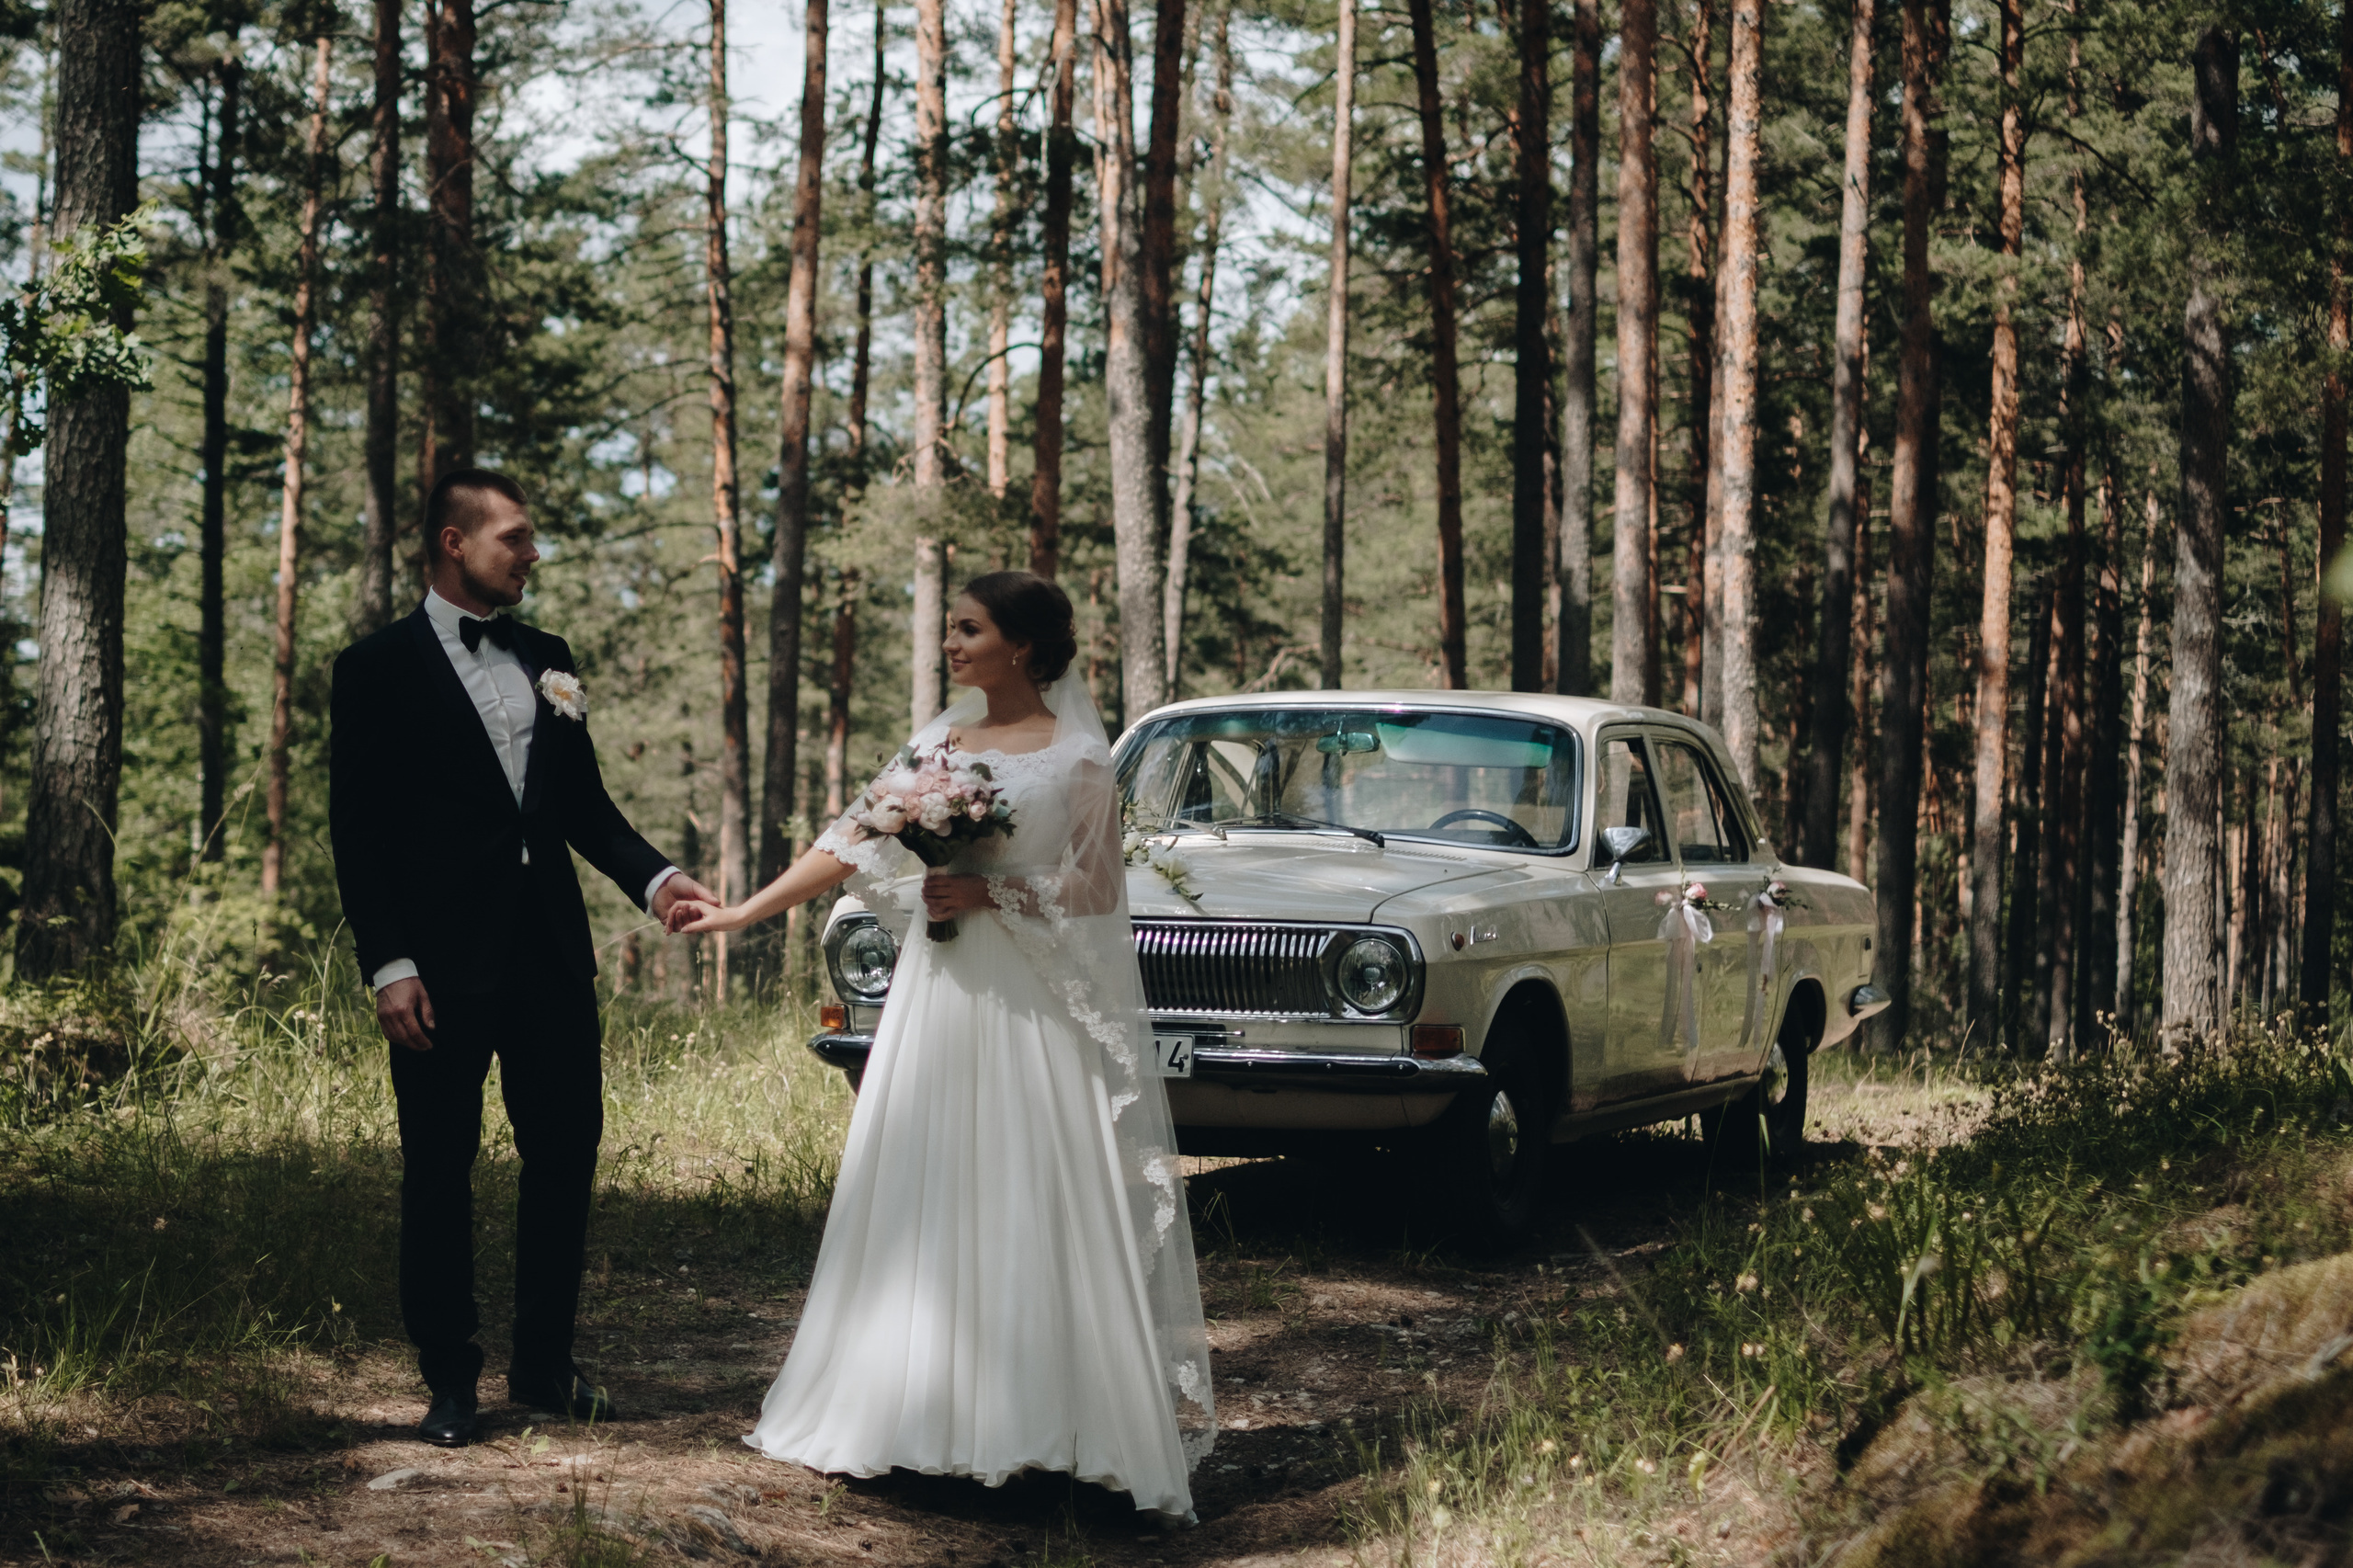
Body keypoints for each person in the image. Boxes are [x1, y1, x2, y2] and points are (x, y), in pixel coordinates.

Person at [665, 571, 1214, 1520]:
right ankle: (908, 1413)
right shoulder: (935, 742)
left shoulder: (1079, 753)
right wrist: (745, 910)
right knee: (927, 1176)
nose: (950, 644)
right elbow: (852, 838)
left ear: (1025, 648)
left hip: (1026, 1002)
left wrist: (992, 891)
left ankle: (1046, 1425)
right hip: (940, 992)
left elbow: (1096, 891)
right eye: (952, 629)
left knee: (1026, 1185)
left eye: (969, 630)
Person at [330, 468, 717, 1448]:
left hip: (549, 956)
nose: (533, 552)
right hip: (436, 971)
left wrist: (659, 879)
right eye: (516, 537)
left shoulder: (550, 657)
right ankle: (451, 1378)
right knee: (438, 1168)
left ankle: (544, 1361)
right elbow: (358, 833)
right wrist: (389, 965)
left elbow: (581, 805)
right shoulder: (373, 667)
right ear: (455, 543)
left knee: (564, 1156)